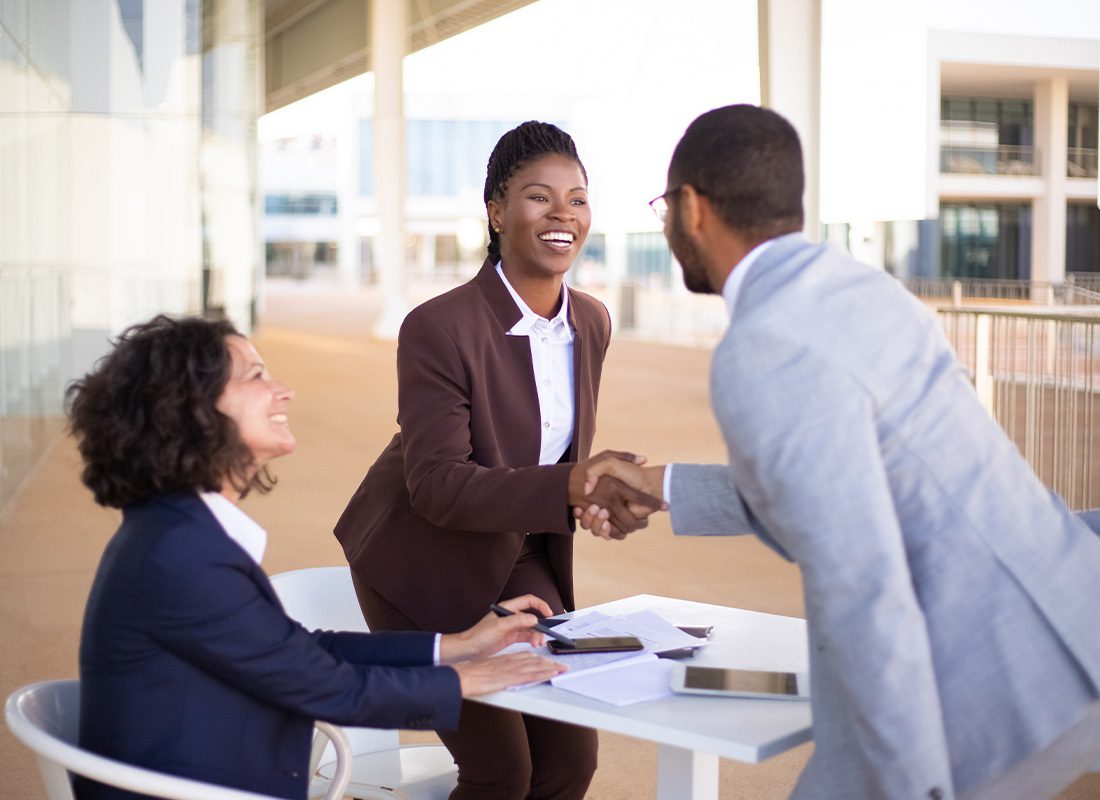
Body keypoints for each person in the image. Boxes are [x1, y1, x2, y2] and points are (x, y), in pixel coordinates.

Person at [578, 104, 1100, 799]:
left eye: (665, 207)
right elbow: (844, 479)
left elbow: (863, 585)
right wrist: (661, 485)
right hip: (1063, 615)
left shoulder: (762, 346)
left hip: (990, 677)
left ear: (693, 209)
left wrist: (914, 788)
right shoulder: (860, 290)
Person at [67, 314, 567, 800]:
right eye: (257, 376)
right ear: (189, 407)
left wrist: (457, 646)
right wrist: (466, 679)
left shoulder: (177, 532)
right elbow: (326, 687)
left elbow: (297, 650)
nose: (284, 390)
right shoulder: (184, 556)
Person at [333, 121, 662, 800]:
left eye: (577, 198)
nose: (563, 214)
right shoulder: (439, 326)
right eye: (539, 197)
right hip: (419, 556)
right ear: (496, 210)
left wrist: (596, 497)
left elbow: (547, 462)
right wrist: (572, 483)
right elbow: (436, 485)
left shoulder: (592, 323)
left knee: (571, 761)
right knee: (500, 773)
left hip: (521, 553)